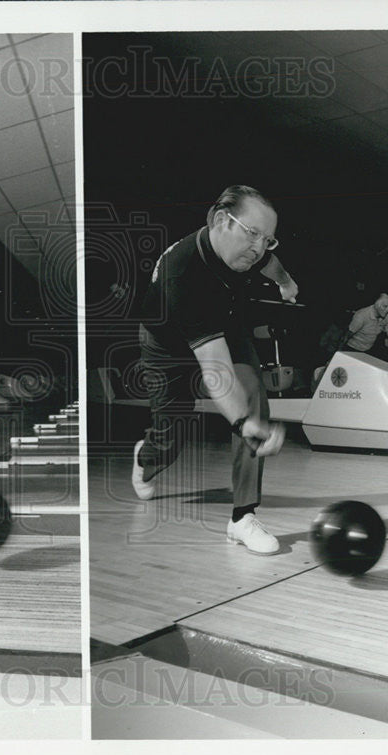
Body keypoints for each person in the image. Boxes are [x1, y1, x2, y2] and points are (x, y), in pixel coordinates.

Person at [132, 185, 293, 556]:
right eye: (253, 234)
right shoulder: (182, 275)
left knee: (252, 393)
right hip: (164, 346)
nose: (258, 248)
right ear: (222, 221)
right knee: (171, 436)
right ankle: (148, 458)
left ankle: (242, 517)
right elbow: (216, 370)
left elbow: (269, 262)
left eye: (268, 239)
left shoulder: (249, 253)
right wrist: (242, 424)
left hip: (222, 324)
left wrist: (285, 282)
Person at [338, 293, 388, 368]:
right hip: (352, 349)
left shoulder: (386, 318)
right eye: (385, 306)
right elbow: (346, 336)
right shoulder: (362, 315)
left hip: (367, 351)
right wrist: (337, 354)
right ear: (377, 306)